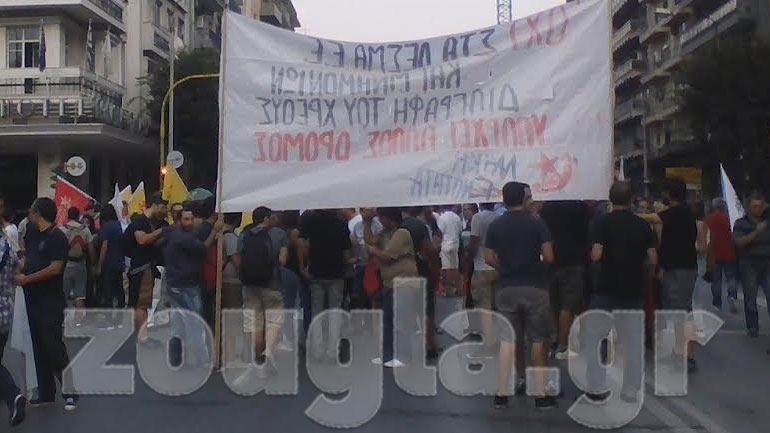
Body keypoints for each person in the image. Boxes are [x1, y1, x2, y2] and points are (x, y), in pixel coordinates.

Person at [584, 181, 658, 403]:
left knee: (597, 338)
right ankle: (630, 389)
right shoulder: (643, 225)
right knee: (632, 341)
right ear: (632, 199)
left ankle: (596, 386)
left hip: (605, 287)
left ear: (610, 198)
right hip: (633, 288)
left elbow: (596, 255)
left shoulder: (602, 222)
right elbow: (653, 259)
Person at [485, 182, 556, 410]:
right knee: (538, 339)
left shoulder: (496, 225)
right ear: (524, 199)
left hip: (507, 288)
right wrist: (537, 268)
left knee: (508, 340)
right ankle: (540, 395)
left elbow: (488, 257)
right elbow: (549, 256)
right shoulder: (537, 222)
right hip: (535, 287)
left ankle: (502, 393)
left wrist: (505, 267)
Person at [14, 198, 78, 411]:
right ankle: (46, 392)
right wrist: (19, 269)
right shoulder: (32, 233)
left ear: (39, 213)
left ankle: (70, 391)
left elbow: (55, 268)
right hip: (31, 298)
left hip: (50, 300)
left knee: (53, 345)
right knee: (38, 346)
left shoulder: (56, 237)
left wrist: (27, 279)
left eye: (32, 211)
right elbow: (28, 258)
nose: (29, 215)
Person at [641, 178, 699, 371]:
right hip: (683, 267)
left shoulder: (677, 213)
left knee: (680, 311)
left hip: (678, 269)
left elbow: (653, 218)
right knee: (681, 310)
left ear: (669, 194)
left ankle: (686, 354)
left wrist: (629, 213)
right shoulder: (684, 212)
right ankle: (683, 351)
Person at [162, 204, 221, 367]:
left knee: (178, 325)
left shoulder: (173, 234)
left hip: (175, 284)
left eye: (191, 218)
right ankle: (202, 361)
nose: (190, 222)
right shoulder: (183, 237)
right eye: (186, 219)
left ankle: (176, 360)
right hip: (186, 286)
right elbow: (202, 248)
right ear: (179, 220)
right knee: (194, 324)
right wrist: (215, 231)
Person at [235, 207, 288, 373]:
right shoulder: (279, 234)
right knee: (273, 321)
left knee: (254, 322)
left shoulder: (244, 235)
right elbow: (283, 260)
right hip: (272, 285)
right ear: (266, 219)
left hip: (249, 285)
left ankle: (258, 359)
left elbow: (239, 259)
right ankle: (269, 354)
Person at [366, 207, 419, 367]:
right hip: (390, 283)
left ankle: (403, 356)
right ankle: (387, 354)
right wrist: (366, 222)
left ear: (389, 217)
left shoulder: (402, 233)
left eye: (381, 217)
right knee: (388, 320)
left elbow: (387, 256)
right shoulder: (385, 233)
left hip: (404, 282)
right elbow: (370, 240)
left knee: (401, 321)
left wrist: (372, 250)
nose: (380, 220)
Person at [300, 209, 353, 361]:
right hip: (336, 273)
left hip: (316, 272)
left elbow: (305, 246)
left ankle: (317, 350)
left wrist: (304, 266)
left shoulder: (312, 222)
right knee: (335, 312)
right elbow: (346, 252)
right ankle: (332, 351)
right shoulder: (341, 224)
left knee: (316, 311)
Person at [540, 201, 589, 360]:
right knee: (568, 305)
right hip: (574, 261)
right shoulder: (580, 207)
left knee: (553, 303)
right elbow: (586, 232)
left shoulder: (547, 207)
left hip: (551, 260)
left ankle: (554, 340)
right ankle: (563, 345)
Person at [124, 193, 168, 343]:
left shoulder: (158, 223)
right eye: (162, 207)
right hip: (141, 268)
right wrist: (162, 231)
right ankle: (142, 337)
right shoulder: (140, 222)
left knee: (141, 303)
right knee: (141, 304)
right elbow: (142, 239)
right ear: (154, 205)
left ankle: (140, 335)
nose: (165, 211)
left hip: (149, 267)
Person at [402, 206, 440, 358]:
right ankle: (429, 344)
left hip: (401, 272)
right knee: (426, 309)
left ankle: (406, 346)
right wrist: (439, 244)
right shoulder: (418, 225)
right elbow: (429, 250)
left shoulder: (397, 224)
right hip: (421, 270)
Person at [733, 192, 770, 338]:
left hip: (767, 263)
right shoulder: (740, 223)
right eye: (755, 206)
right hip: (749, 264)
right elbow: (739, 242)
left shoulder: (767, 222)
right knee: (750, 297)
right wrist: (756, 232)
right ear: (748, 208)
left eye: (760, 206)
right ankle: (753, 326)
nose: (758, 209)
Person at [466, 203, 500, 360]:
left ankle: (488, 347)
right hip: (497, 267)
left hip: (481, 267)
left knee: (484, 310)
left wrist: (468, 253)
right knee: (496, 308)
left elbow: (474, 243)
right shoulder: (499, 217)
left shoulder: (478, 218)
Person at [60, 207, 96, 325]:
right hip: (81, 265)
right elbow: (91, 249)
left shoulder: (62, 230)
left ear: (68, 216)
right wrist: (93, 264)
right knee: (80, 294)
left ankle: (63, 320)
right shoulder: (85, 229)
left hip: (66, 266)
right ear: (78, 216)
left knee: (64, 294)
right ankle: (79, 321)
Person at [705, 198, 738, 313]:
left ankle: (717, 303)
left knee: (716, 281)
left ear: (713, 206)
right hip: (730, 253)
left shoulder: (709, 220)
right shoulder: (729, 218)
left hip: (714, 254)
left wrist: (707, 254)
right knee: (731, 278)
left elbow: (708, 238)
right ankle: (732, 296)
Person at [96, 204, 125, 325]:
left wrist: (99, 265)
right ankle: (120, 317)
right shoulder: (118, 225)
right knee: (119, 290)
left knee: (108, 291)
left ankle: (108, 318)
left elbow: (104, 246)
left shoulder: (106, 227)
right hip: (119, 262)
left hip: (109, 263)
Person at [350, 208, 383, 310]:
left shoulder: (378, 226)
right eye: (366, 210)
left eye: (371, 210)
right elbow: (355, 243)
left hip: (375, 265)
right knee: (359, 295)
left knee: (374, 295)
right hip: (360, 263)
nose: (368, 213)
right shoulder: (357, 226)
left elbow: (375, 243)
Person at [437, 205, 463, 296]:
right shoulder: (457, 217)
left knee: (446, 267)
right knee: (455, 267)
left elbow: (440, 232)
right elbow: (460, 230)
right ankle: (459, 289)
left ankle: (448, 290)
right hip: (455, 243)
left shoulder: (442, 218)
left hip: (445, 243)